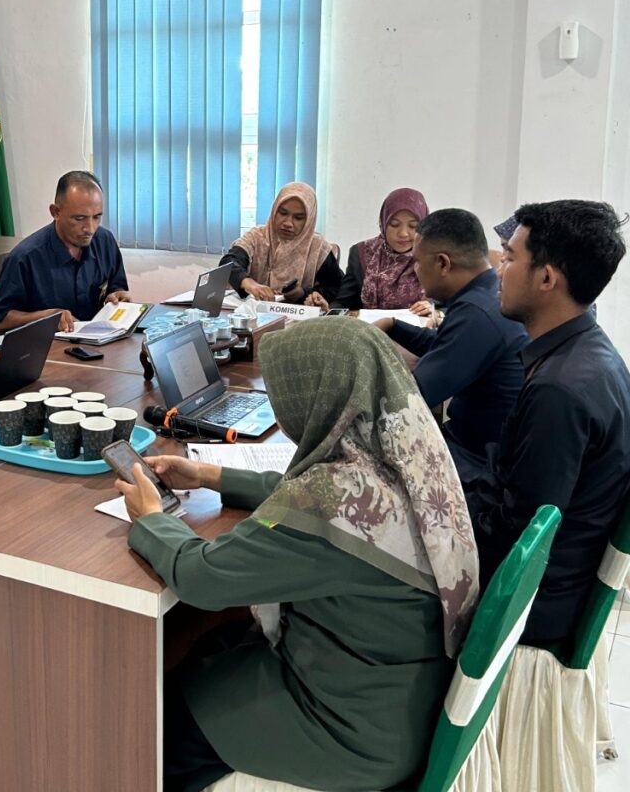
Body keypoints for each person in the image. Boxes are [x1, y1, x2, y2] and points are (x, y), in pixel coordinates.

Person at [116, 319, 478, 792]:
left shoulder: (330, 502)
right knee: (211, 647)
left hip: (346, 732)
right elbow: (303, 496)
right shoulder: (411, 459)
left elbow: (201, 576)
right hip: (393, 701)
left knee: (160, 728)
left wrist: (150, 518)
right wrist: (209, 476)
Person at [468, 199, 630, 646]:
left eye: (510, 257)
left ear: (546, 279)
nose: (498, 270)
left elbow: (521, 538)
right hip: (556, 586)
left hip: (530, 613)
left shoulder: (559, 391)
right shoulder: (592, 353)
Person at [375, 208, 529, 483]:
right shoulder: (485, 292)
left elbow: (409, 397)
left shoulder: (477, 314)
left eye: (417, 262)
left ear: (443, 264)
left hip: (477, 464)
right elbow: (445, 344)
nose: (415, 270)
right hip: (477, 445)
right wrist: (393, 325)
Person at [0, 171, 130, 334]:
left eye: (96, 217)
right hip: (48, 345)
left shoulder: (105, 241)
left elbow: (117, 288)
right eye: (79, 218)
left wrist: (118, 297)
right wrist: (47, 317)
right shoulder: (24, 257)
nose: (90, 228)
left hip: (100, 341)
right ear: (56, 212)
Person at [312, 186, 433, 314]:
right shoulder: (362, 253)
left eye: (413, 226)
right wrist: (328, 310)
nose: (403, 233)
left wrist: (435, 311)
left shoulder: (433, 256)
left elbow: (447, 305)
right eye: (394, 224)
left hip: (419, 327)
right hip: (371, 326)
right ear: (383, 223)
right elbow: (344, 302)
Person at [219, 182, 342, 305]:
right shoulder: (256, 237)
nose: (288, 223)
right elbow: (229, 263)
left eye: (298, 218)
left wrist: (304, 293)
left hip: (297, 314)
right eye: (283, 213)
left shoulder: (317, 247)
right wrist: (250, 284)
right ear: (274, 211)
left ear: (309, 219)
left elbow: (338, 288)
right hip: (254, 312)